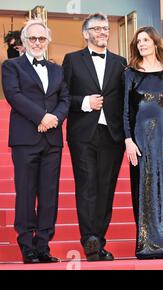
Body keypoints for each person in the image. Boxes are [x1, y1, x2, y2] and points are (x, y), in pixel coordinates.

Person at [1, 19, 70, 263]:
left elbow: (65, 99)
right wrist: (41, 116)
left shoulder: (57, 69)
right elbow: (13, 95)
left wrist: (54, 119)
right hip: (25, 139)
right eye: (33, 38)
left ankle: (43, 245)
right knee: (26, 192)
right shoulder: (11, 66)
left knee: (49, 194)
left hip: (52, 140)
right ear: (24, 41)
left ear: (48, 41)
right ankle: (27, 245)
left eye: (42, 38)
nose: (37, 42)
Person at [62, 13, 127, 262]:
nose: (102, 32)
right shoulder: (72, 60)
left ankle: (98, 241)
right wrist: (84, 103)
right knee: (87, 187)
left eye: (105, 28)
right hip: (83, 134)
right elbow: (63, 96)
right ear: (85, 33)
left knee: (106, 189)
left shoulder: (121, 62)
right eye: (96, 28)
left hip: (113, 134)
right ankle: (89, 240)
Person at [123, 26, 163, 259]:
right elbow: (125, 111)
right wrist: (128, 140)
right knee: (145, 188)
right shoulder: (130, 73)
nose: (141, 44)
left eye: (145, 40)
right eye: (138, 41)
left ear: (155, 43)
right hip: (141, 138)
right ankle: (150, 244)